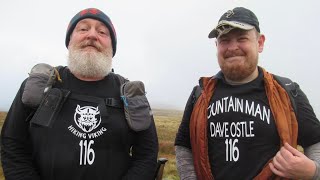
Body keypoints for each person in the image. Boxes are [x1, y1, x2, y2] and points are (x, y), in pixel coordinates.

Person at [1, 8, 158, 180]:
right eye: (83, 29)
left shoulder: (130, 94)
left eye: (102, 32)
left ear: (112, 47)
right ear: (69, 42)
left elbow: (146, 154)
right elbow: (12, 144)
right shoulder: (39, 85)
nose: (92, 35)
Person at [175, 7, 320, 180]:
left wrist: (313, 172)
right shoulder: (200, 94)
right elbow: (184, 145)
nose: (232, 47)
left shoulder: (288, 91)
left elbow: (315, 141)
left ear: (260, 43)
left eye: (242, 38)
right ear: (216, 46)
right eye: (224, 40)